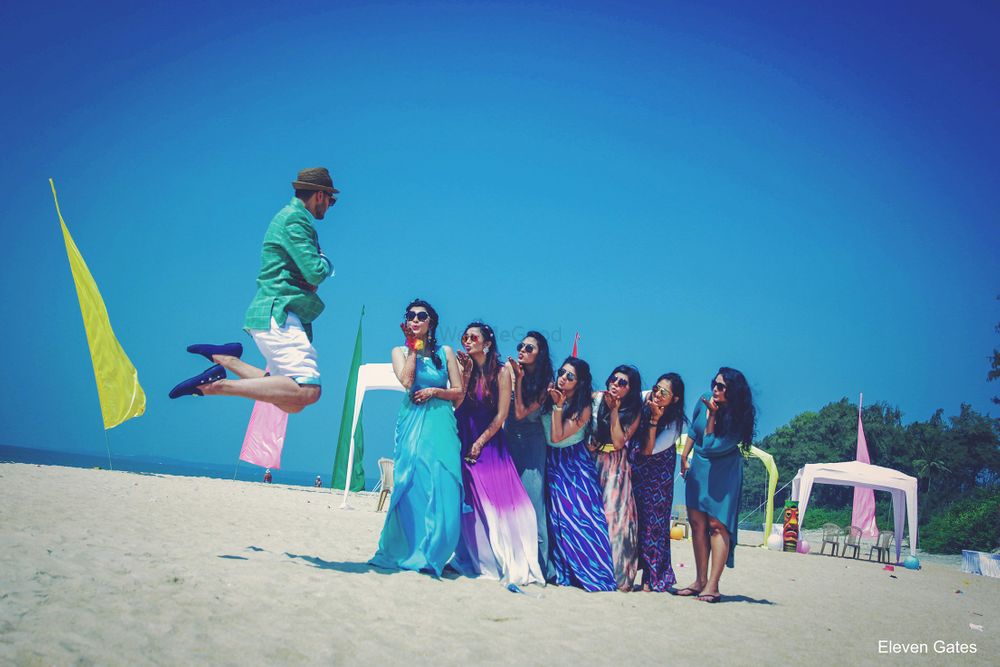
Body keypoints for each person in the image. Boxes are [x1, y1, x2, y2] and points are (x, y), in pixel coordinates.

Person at [169, 168, 338, 414]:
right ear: (320, 195)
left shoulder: (291, 218)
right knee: (308, 389)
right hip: (279, 310)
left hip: (272, 312)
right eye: (331, 200)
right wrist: (325, 263)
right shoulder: (295, 219)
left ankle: (227, 359)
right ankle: (216, 384)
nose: (330, 206)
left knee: (293, 402)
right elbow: (315, 272)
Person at [370, 300, 465, 576]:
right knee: (411, 484)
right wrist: (413, 347)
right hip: (412, 422)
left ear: (431, 322)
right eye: (410, 316)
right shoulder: (398, 350)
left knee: (443, 482)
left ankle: (435, 551)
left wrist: (436, 392)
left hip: (441, 422)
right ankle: (407, 549)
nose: (415, 320)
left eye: (421, 316)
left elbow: (458, 391)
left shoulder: (446, 352)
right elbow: (407, 382)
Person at [450, 322, 543, 586]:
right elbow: (457, 405)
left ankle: (498, 559)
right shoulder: (462, 366)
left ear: (487, 343)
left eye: (473, 337)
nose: (467, 341)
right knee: (470, 501)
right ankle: (473, 556)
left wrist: (479, 443)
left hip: (489, 442)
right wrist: (466, 374)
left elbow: (502, 414)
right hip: (463, 436)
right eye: (464, 336)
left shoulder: (502, 372)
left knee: (497, 502)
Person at [676, 367, 756, 603]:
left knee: (717, 526)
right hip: (699, 468)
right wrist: (684, 455)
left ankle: (713, 585)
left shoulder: (739, 417)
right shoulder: (704, 402)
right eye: (715, 383)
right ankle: (699, 580)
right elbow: (693, 430)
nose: (715, 389)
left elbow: (711, 444)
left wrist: (713, 416)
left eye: (721, 386)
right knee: (697, 524)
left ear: (733, 391)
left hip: (724, 472)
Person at [543, 357, 616, 592]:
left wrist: (558, 406)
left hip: (574, 464)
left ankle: (595, 573)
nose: (563, 378)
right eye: (562, 373)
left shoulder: (583, 407)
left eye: (570, 376)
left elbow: (557, 436)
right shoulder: (548, 393)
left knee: (583, 519)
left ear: (579, 382)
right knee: (559, 520)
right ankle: (565, 572)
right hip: (552, 460)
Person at [505, 331, 556, 581]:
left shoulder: (546, 384)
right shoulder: (511, 371)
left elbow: (521, 412)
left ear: (540, 354)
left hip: (532, 443)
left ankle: (540, 565)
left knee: (533, 503)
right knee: (510, 502)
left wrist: (518, 380)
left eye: (529, 347)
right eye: (521, 345)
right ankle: (513, 559)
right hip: (508, 440)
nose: (522, 350)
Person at [631, 372, 686, 592]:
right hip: (636, 467)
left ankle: (651, 576)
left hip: (658, 474)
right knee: (633, 519)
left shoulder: (674, 424)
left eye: (664, 392)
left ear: (675, 399)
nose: (658, 394)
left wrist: (654, 420)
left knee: (654, 524)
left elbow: (649, 450)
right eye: (656, 388)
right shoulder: (644, 398)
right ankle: (629, 568)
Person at [590, 365, 642, 591]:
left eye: (623, 383)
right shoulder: (595, 399)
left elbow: (620, 441)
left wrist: (613, 411)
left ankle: (618, 576)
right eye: (614, 379)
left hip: (616, 467)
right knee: (593, 517)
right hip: (592, 462)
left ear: (630, 389)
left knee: (615, 519)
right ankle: (594, 570)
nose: (616, 384)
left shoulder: (633, 411)